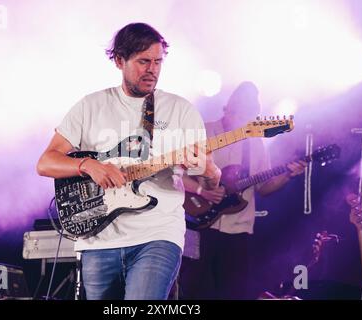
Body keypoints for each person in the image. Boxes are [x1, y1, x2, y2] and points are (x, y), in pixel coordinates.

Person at [36, 23, 221, 300]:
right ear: (120, 60)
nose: (153, 69)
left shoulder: (181, 111)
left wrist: (209, 170)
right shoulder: (91, 106)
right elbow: (46, 162)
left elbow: (211, 180)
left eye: (158, 61)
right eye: (144, 61)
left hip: (158, 233)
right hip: (98, 237)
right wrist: (88, 165)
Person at [179, 81, 307, 299]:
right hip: (196, 223)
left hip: (237, 231)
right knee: (194, 291)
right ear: (229, 106)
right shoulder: (203, 131)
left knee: (235, 294)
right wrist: (203, 190)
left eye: (248, 112)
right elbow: (175, 174)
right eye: (239, 110)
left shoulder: (255, 143)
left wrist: (287, 174)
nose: (241, 117)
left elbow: (264, 189)